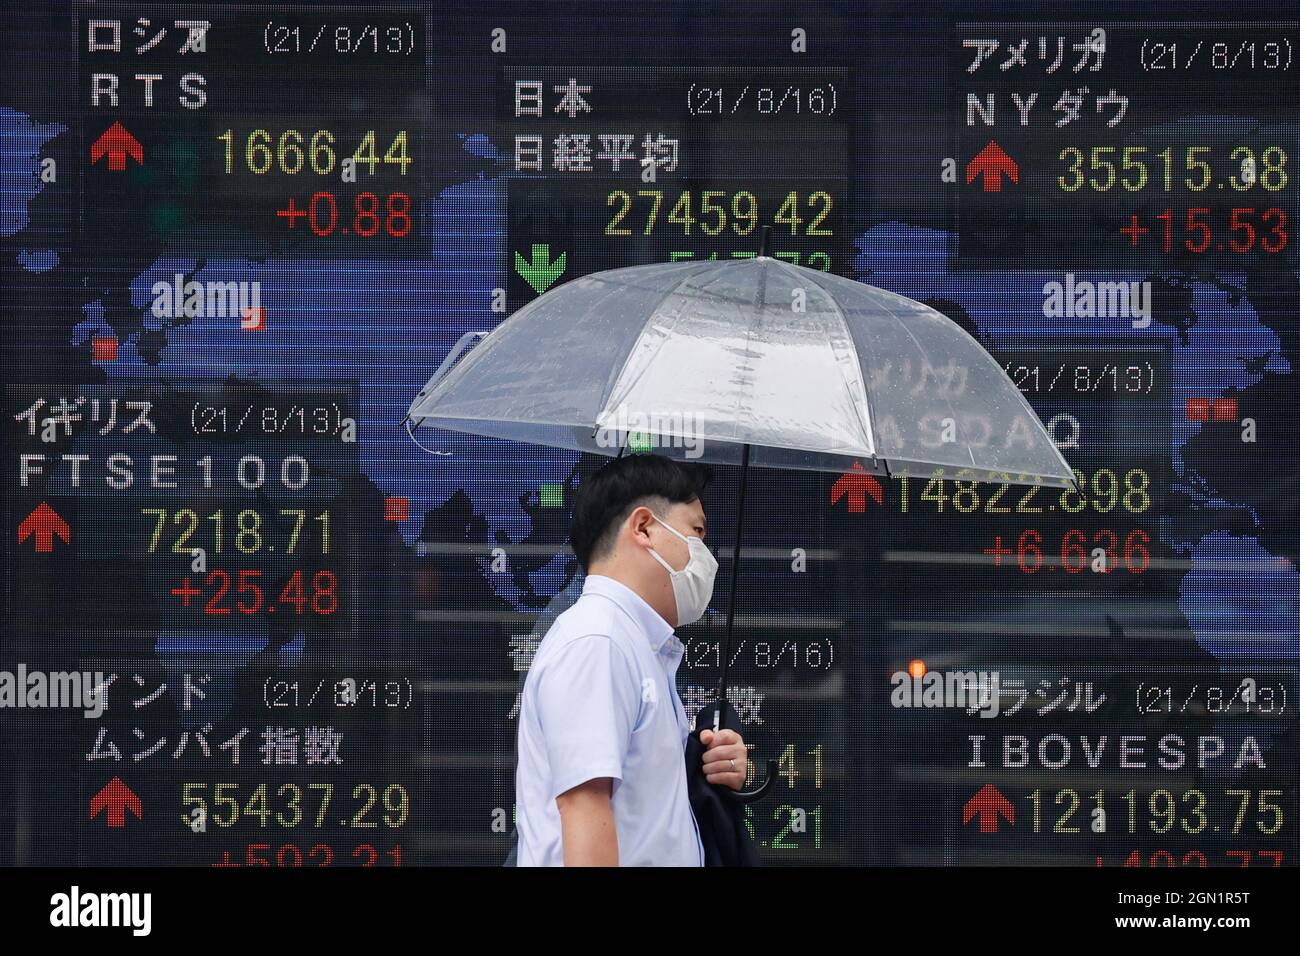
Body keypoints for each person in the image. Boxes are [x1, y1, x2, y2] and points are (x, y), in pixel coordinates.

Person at [513, 453, 749, 866]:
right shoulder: (598, 641)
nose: (704, 555)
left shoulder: (630, 644)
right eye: (696, 532)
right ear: (643, 528)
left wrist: (706, 766)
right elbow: (585, 812)